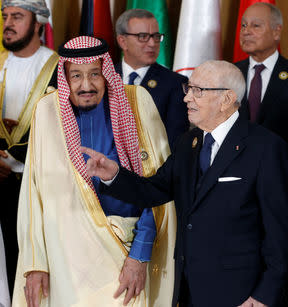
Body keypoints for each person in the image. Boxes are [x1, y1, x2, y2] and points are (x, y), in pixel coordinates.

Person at [81, 60, 288, 307]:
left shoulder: (265, 148)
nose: (186, 98)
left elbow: (281, 233)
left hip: (241, 294)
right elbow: (154, 191)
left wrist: (263, 296)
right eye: (188, 89)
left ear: (227, 99)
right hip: (189, 291)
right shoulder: (188, 142)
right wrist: (114, 175)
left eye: (198, 91)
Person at [12, 36, 176, 307]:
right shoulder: (46, 111)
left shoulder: (136, 103)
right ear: (64, 77)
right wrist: (35, 262)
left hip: (122, 254)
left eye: (95, 75)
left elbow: (157, 189)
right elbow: (33, 192)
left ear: (107, 74)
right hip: (63, 259)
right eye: (75, 76)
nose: (85, 85)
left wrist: (140, 254)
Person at [235, 2, 288, 214]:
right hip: (235, 192)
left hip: (282, 191)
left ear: (276, 31)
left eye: (256, 26)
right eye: (244, 25)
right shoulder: (229, 74)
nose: (246, 31)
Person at [0, 0, 58, 294]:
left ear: (38, 23)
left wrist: (8, 161)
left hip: (35, 185)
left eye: (17, 16)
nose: (8, 23)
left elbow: (60, 128)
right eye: (5, 16)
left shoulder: (60, 68)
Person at [115, 8, 189, 149]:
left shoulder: (175, 83)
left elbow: (175, 141)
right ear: (122, 41)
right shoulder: (104, 77)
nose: (152, 44)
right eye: (143, 36)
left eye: (156, 36)